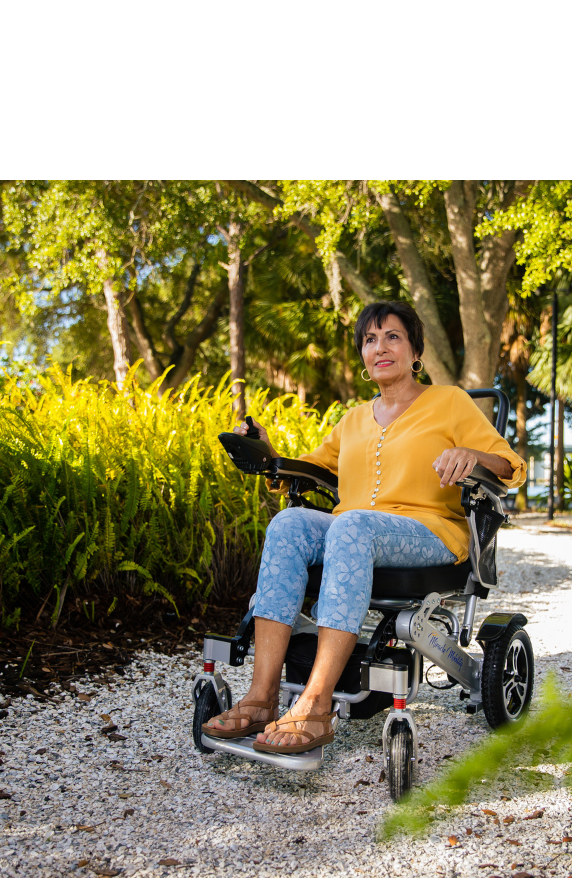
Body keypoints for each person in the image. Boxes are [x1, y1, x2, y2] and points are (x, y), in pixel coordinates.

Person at [203, 300, 526, 754]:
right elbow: (310, 469)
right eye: (370, 340)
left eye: (393, 336)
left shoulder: (450, 402)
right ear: (363, 355)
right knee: (289, 523)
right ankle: (261, 697)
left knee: (351, 525)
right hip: (353, 533)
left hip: (428, 532)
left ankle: (316, 704)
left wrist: (473, 456)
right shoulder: (353, 418)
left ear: (415, 351)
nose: (380, 348)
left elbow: (510, 466)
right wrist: (268, 451)